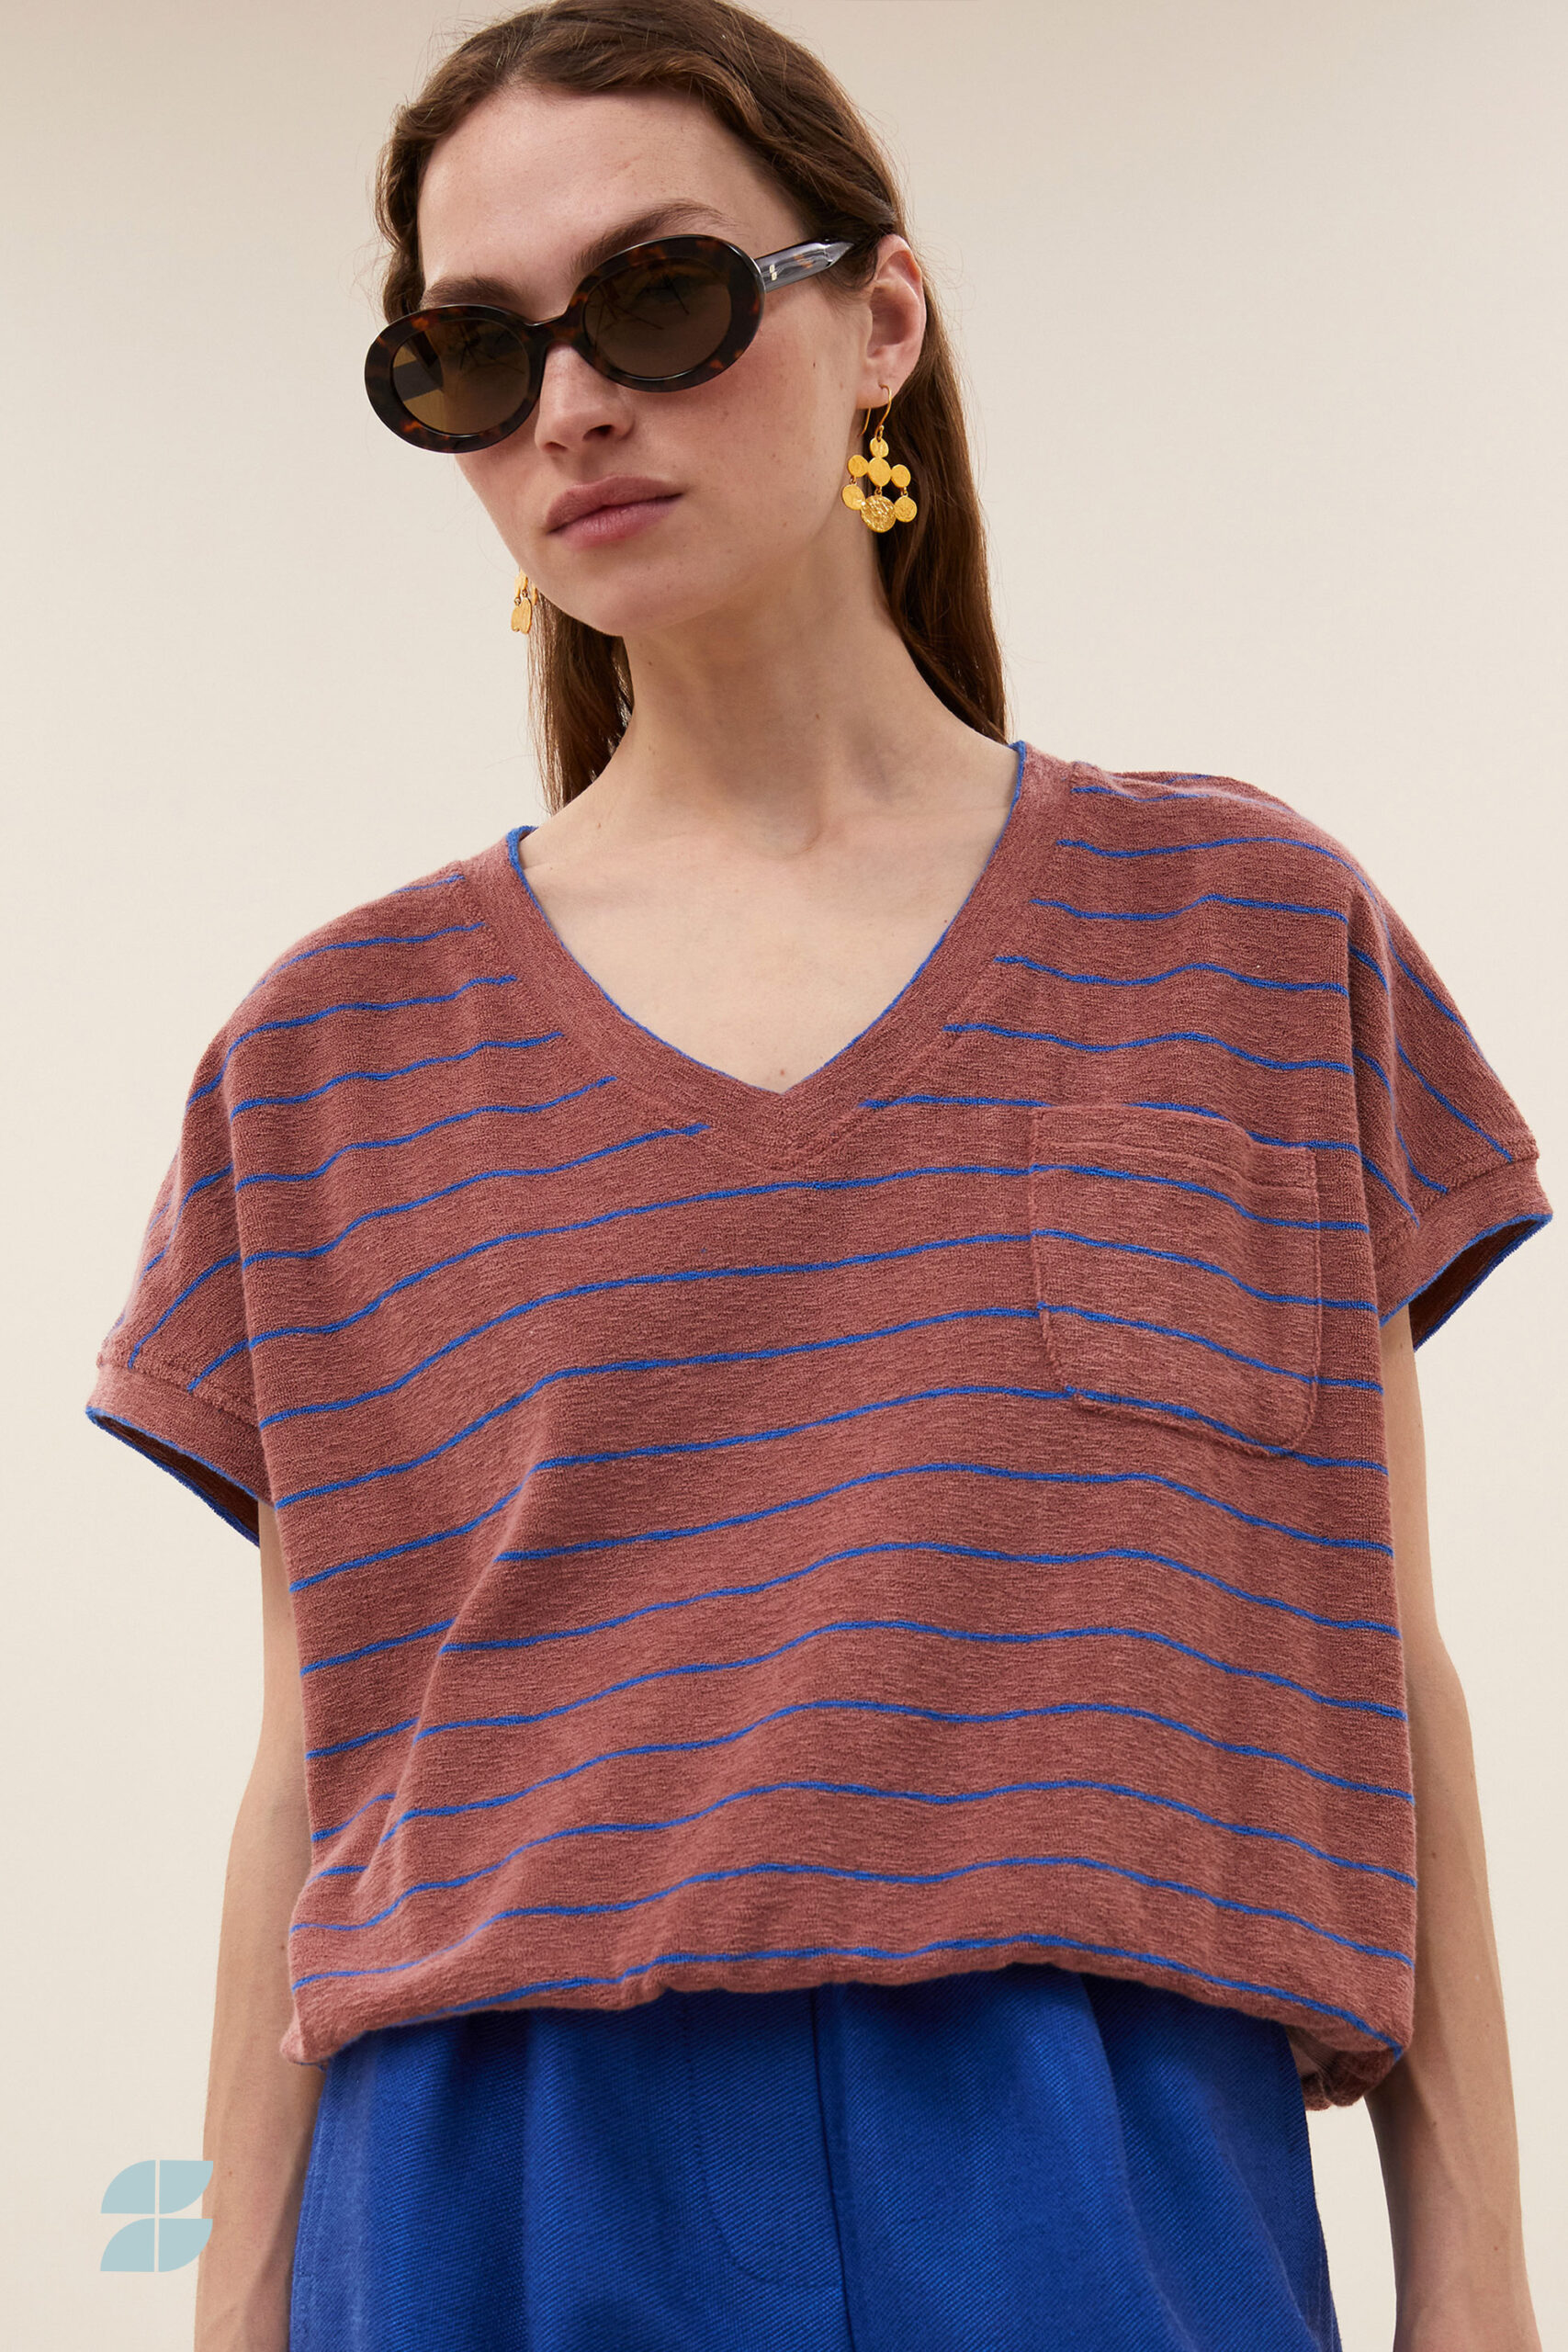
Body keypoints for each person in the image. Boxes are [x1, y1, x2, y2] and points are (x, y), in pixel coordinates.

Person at [85, 3, 1552, 2346]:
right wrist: (230, 2309)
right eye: (472, 354)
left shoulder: (1246, 937)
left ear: (878, 320)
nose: (570, 404)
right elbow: (310, 1763)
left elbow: (1381, 1646)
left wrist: (1472, 2277)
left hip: (1096, 2145)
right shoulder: (329, 1048)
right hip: (492, 2169)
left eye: (656, 296)